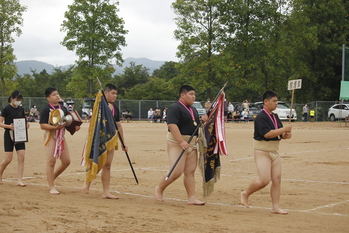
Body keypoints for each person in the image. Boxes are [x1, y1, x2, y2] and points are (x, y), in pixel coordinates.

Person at [240, 90, 292, 214]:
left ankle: (275, 206)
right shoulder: (261, 117)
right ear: (266, 102)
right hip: (262, 151)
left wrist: (286, 134)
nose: (276, 104)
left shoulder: (274, 116)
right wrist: (283, 129)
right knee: (264, 180)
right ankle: (245, 193)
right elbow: (267, 134)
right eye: (274, 101)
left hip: (275, 151)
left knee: (277, 179)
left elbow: (279, 134)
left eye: (277, 101)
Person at [155, 85, 208, 205]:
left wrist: (202, 121)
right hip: (177, 143)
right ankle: (159, 188)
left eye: (194, 94)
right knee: (176, 172)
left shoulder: (193, 109)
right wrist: (181, 141)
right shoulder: (175, 108)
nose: (193, 97)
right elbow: (172, 125)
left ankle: (192, 197)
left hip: (192, 143)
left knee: (190, 171)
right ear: (183, 95)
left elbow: (194, 124)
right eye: (191, 94)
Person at [83, 83, 127, 199]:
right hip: (99, 139)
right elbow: (94, 124)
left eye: (116, 94)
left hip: (111, 139)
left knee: (107, 165)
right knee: (95, 161)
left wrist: (123, 143)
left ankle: (106, 191)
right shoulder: (99, 106)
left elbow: (119, 126)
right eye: (113, 93)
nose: (115, 96)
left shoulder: (115, 108)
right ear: (105, 93)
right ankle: (87, 182)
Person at [39, 87, 81, 194]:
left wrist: (74, 127)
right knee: (51, 161)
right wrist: (53, 128)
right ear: (48, 98)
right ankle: (51, 186)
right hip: (51, 135)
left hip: (61, 136)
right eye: (54, 95)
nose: (57, 96)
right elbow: (42, 125)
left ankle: (51, 178)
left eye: (57, 94)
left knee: (66, 161)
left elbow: (66, 122)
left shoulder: (63, 108)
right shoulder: (46, 109)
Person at [0, 90, 30, 187]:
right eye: (17, 99)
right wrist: (9, 126)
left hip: (20, 135)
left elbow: (23, 120)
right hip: (9, 134)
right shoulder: (6, 109)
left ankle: (20, 180)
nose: (18, 101)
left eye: (20, 100)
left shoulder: (21, 109)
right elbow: (0, 122)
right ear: (12, 98)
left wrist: (26, 124)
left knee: (21, 156)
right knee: (8, 159)